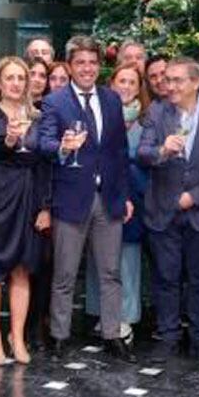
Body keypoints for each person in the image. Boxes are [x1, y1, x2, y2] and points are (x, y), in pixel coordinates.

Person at [37, 36, 134, 356]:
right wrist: (63, 147)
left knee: (110, 272)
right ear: (70, 65)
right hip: (71, 198)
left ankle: (111, 333)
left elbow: (120, 152)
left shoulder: (111, 100)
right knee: (65, 273)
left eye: (93, 62)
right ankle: (59, 334)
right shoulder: (55, 102)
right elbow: (44, 144)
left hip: (109, 198)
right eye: (80, 62)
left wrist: (126, 195)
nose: (87, 68)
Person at [137, 57, 199, 360]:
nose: (170, 86)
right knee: (166, 278)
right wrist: (163, 150)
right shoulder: (157, 110)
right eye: (168, 79)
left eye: (178, 80)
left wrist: (196, 196)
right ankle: (168, 337)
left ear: (196, 82)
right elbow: (143, 153)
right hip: (163, 210)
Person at [0, 57, 51, 364]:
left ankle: (17, 336)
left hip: (29, 195)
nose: (16, 83)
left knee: (23, 267)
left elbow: (46, 163)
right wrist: (7, 141)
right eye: (9, 77)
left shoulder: (38, 116)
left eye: (21, 78)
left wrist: (46, 205)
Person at [87, 63, 148, 340]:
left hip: (133, 200)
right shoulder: (99, 118)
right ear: (111, 85)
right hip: (100, 200)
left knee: (127, 261)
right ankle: (103, 315)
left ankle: (125, 318)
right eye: (121, 81)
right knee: (100, 260)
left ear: (139, 88)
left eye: (132, 82)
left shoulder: (145, 125)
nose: (126, 86)